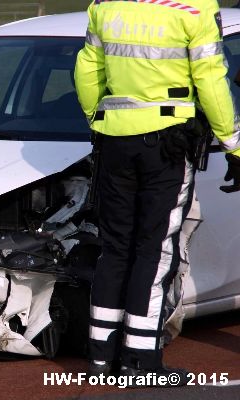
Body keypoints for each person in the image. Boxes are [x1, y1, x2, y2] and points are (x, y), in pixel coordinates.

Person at [74, 0, 240, 384]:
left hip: (115, 140)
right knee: (155, 248)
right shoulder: (194, 8)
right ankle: (141, 361)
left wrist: (100, 121)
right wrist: (234, 147)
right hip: (166, 144)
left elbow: (86, 70)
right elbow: (211, 80)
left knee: (114, 247)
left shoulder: (105, 5)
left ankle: (100, 359)